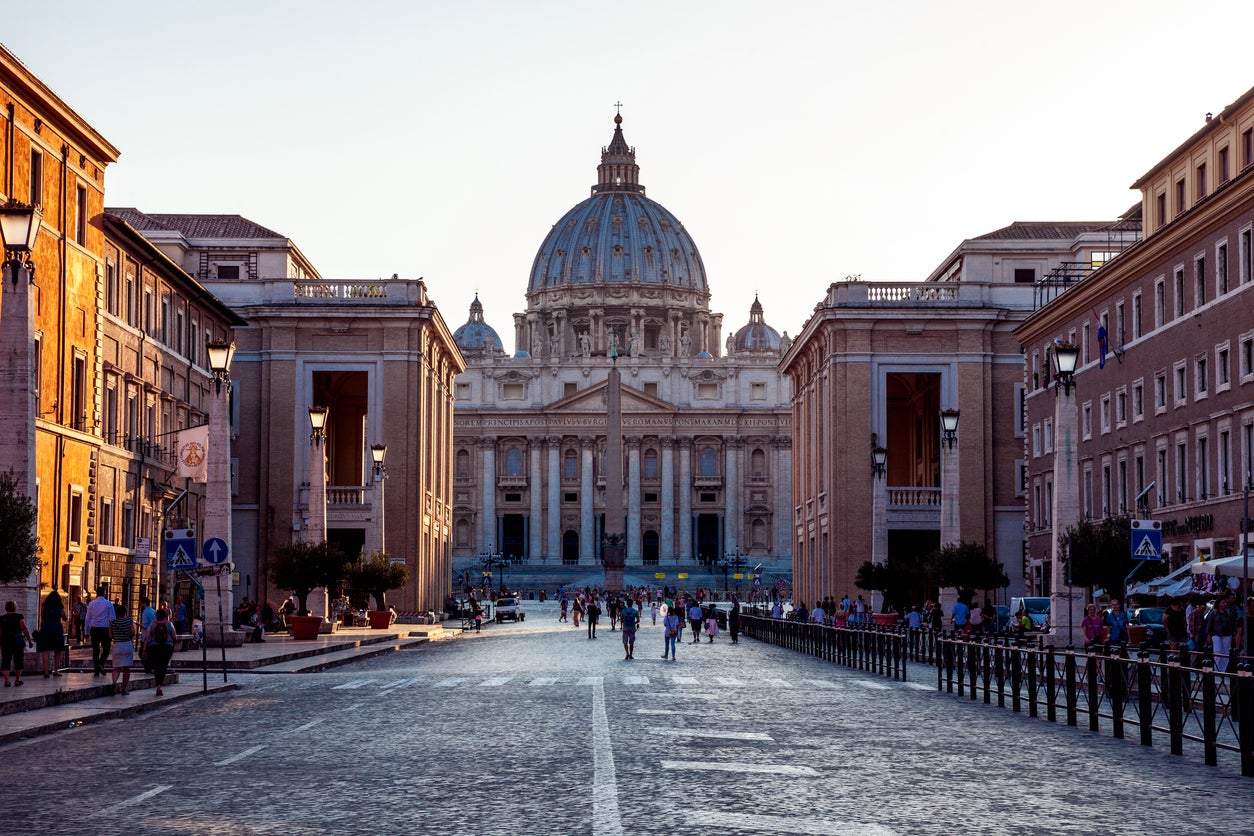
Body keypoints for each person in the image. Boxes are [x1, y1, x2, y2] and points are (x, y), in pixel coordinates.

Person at [144, 608, 176, 696]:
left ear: (156, 616)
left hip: (154, 647)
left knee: (157, 667)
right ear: (165, 616)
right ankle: (159, 686)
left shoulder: (152, 624)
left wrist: (144, 649)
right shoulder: (169, 624)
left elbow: (146, 638)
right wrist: (172, 645)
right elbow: (174, 637)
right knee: (163, 666)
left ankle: (158, 685)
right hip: (167, 647)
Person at [1, 601, 33, 687]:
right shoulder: (19, 617)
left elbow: (0, 632)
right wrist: (30, 641)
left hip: (5, 642)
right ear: (15, 608)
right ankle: (17, 680)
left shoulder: (2, 618)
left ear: (6, 608)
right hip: (17, 642)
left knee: (5, 661)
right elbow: (24, 629)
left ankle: (7, 681)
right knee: (18, 660)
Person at [85, 586, 115, 676]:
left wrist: (86, 631)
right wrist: (113, 631)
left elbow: (88, 618)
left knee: (95, 649)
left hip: (94, 628)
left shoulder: (91, 604)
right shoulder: (109, 604)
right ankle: (101, 664)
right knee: (106, 648)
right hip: (105, 628)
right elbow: (112, 619)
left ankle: (96, 669)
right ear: (104, 593)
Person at [36, 590, 66, 678]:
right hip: (57, 628)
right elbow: (64, 618)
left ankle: (46, 671)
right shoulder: (60, 606)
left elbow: (42, 617)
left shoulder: (44, 606)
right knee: (57, 650)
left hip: (46, 627)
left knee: (45, 650)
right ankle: (56, 670)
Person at [109, 603, 136, 696]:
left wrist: (116, 637)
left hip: (117, 645)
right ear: (125, 612)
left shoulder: (112, 622)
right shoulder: (129, 620)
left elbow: (110, 635)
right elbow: (133, 631)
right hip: (127, 644)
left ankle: (114, 683)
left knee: (116, 668)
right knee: (126, 669)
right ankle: (124, 689)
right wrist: (129, 636)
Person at [1206, 596, 1237, 672]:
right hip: (1216, 634)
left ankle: (1223, 671)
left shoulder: (1229, 612)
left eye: (1225, 602)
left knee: (1226, 653)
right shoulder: (1214, 612)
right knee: (1218, 651)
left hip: (1227, 634)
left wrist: (1234, 633)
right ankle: (1217, 670)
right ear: (1218, 604)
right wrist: (1208, 635)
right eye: (1223, 602)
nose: (1224, 604)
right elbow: (1209, 624)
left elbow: (1232, 623)